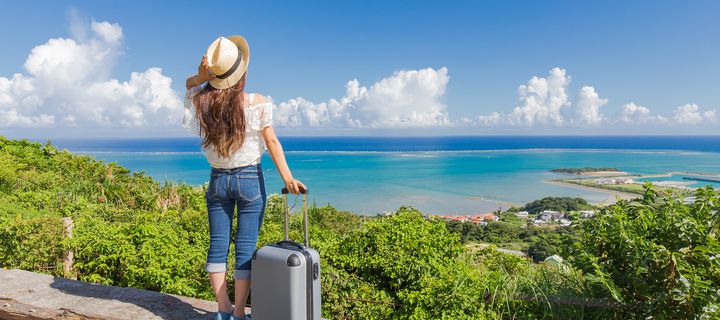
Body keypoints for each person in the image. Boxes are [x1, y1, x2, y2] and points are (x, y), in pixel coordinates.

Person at [183, 35, 306, 320]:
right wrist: (288, 178)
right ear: (242, 73)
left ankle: (222, 310)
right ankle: (239, 312)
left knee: (217, 245)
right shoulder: (257, 102)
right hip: (250, 180)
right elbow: (272, 142)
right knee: (246, 247)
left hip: (217, 181)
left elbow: (189, 85)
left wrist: (200, 77)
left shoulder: (202, 103)